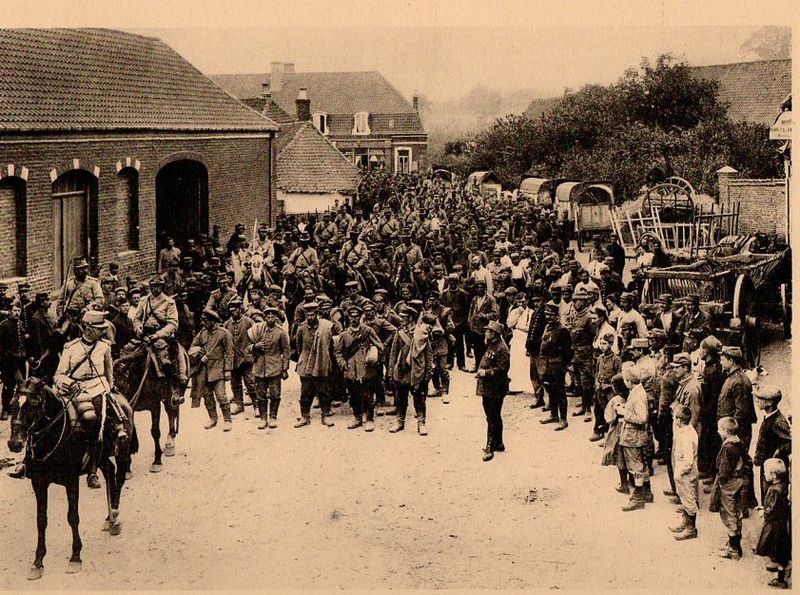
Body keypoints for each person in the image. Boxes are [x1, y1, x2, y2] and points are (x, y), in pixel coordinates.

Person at [54, 310, 128, 489]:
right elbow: (59, 374)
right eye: (98, 328)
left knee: (96, 421)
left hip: (97, 387)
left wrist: (109, 388)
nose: (102, 332)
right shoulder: (71, 348)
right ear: (86, 327)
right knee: (49, 415)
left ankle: (92, 470)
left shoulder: (104, 346)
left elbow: (109, 372)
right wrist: (69, 383)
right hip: (74, 388)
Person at [335, 305, 383, 431]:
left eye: (356, 316)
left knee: (367, 395)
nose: (354, 318)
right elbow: (339, 352)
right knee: (354, 395)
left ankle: (369, 419)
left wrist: (373, 356)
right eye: (351, 316)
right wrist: (342, 363)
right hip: (351, 370)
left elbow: (379, 346)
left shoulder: (367, 331)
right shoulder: (344, 334)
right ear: (348, 317)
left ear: (360, 316)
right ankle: (357, 418)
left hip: (366, 369)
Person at [388, 306, 432, 435]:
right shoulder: (399, 332)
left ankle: (421, 423)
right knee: (401, 398)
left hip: (416, 371)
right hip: (402, 370)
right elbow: (393, 353)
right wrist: (391, 370)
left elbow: (428, 355)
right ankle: (399, 421)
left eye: (404, 318)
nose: (401, 320)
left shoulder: (421, 332)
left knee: (419, 398)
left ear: (411, 318)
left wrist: (428, 373)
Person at [188, 309, 234, 431]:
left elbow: (229, 353)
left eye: (207, 320)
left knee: (221, 396)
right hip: (204, 371)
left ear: (213, 320)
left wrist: (228, 369)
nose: (205, 323)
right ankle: (213, 418)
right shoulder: (202, 334)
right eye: (203, 320)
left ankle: (227, 420)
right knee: (207, 397)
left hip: (218, 370)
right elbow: (192, 348)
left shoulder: (223, 333)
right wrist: (199, 355)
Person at [294, 301, 337, 428]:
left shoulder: (326, 326)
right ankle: (305, 416)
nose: (310, 318)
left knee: (324, 391)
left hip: (321, 361)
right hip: (306, 362)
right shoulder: (301, 328)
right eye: (307, 315)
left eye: (312, 315)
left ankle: (325, 416)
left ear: (317, 314)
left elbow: (331, 345)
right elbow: (299, 346)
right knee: (306, 391)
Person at [247, 306, 291, 429]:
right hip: (260, 368)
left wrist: (285, 369)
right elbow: (248, 347)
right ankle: (263, 418)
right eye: (268, 316)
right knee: (260, 395)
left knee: (275, 395)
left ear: (276, 318)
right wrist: (256, 346)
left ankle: (273, 417)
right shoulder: (258, 330)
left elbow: (286, 352)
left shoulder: (281, 332)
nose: (270, 319)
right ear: (265, 318)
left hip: (274, 368)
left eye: (273, 316)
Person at [710, 417, 747, 560]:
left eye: (720, 429)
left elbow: (724, 469)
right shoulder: (739, 442)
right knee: (737, 512)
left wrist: (720, 483)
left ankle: (732, 548)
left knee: (728, 512)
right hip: (739, 480)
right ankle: (737, 544)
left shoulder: (727, 447)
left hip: (729, 483)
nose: (718, 432)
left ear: (726, 431)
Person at [617, 364, 652, 511]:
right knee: (641, 465)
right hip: (636, 435)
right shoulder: (637, 391)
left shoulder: (637, 395)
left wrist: (623, 412)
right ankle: (647, 492)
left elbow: (642, 418)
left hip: (633, 437)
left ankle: (638, 498)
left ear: (629, 381)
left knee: (636, 467)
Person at [752, 385, 792, 506]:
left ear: (769, 402)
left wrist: (779, 451)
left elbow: (791, 442)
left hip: (773, 468)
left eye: (760, 398)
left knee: (771, 496)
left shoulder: (778, 422)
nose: (757, 401)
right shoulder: (770, 417)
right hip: (766, 464)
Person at [754, 458, 791, 589]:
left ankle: (781, 579)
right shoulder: (783, 486)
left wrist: (764, 512)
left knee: (777, 549)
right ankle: (780, 571)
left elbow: (772, 508)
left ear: (774, 476)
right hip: (781, 523)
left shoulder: (774, 490)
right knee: (781, 550)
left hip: (775, 525)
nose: (764, 474)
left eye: (766, 472)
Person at [477, 320, 510, 462]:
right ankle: (499, 443)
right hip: (489, 386)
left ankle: (490, 447)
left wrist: (486, 373)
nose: (485, 333)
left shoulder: (502, 349)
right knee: (493, 415)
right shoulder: (492, 344)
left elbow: (502, 369)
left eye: (487, 331)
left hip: (496, 387)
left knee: (492, 415)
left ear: (494, 334)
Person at [538, 302, 572, 431]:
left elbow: (567, 350)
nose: (548, 317)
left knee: (559, 391)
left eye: (551, 315)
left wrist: (564, 365)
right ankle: (553, 414)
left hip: (557, 364)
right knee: (549, 388)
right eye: (547, 314)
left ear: (556, 316)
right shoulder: (547, 327)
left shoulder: (562, 330)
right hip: (546, 364)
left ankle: (563, 419)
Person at [669, 404, 699, 541]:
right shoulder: (686, 430)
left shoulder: (687, 436)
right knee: (684, 497)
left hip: (685, 472)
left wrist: (680, 472)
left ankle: (690, 529)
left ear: (680, 420)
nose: (673, 419)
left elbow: (688, 461)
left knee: (688, 500)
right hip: (684, 472)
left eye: (675, 417)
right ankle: (685, 522)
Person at [223, 297, 257, 416]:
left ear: (240, 309)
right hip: (233, 360)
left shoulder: (248, 322)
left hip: (246, 359)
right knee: (235, 384)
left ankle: (256, 405)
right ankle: (239, 404)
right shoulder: (227, 324)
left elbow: (256, 338)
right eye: (231, 310)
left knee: (250, 383)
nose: (233, 312)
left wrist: (251, 350)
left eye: (235, 310)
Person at [0, 300, 27, 420]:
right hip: (8, 361)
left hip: (20, 360)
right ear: (10, 311)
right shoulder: (4, 325)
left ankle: (17, 408)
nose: (17, 313)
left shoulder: (21, 324)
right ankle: (5, 409)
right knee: (8, 386)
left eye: (18, 311)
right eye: (14, 311)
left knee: (22, 384)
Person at [467, 279, 498, 372]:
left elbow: (496, 314)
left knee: (485, 349)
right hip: (475, 328)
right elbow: (471, 310)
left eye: (481, 287)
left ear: (485, 288)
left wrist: (485, 316)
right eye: (477, 287)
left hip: (485, 329)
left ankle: (485, 368)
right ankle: (477, 366)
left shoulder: (490, 299)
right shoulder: (474, 299)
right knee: (476, 349)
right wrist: (470, 321)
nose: (479, 289)